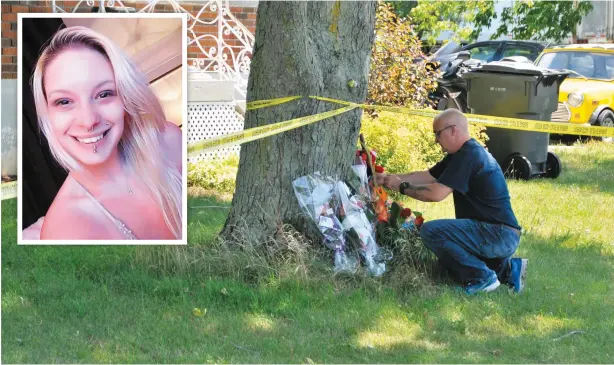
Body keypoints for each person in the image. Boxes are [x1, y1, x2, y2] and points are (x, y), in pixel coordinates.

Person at [28, 25, 182, 240]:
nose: (89, 120)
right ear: (48, 114)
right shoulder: (65, 231)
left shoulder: (170, 141)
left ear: (125, 96)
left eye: (104, 94)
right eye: (64, 101)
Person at [376, 109, 527, 294]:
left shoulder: (469, 156)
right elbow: (427, 176)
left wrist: (402, 187)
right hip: (502, 234)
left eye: (438, 134)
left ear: (453, 130)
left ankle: (482, 277)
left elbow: (436, 194)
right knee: (449, 260)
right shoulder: (462, 154)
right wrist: (388, 178)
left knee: (431, 231)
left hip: (498, 234)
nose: (436, 140)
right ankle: (509, 271)